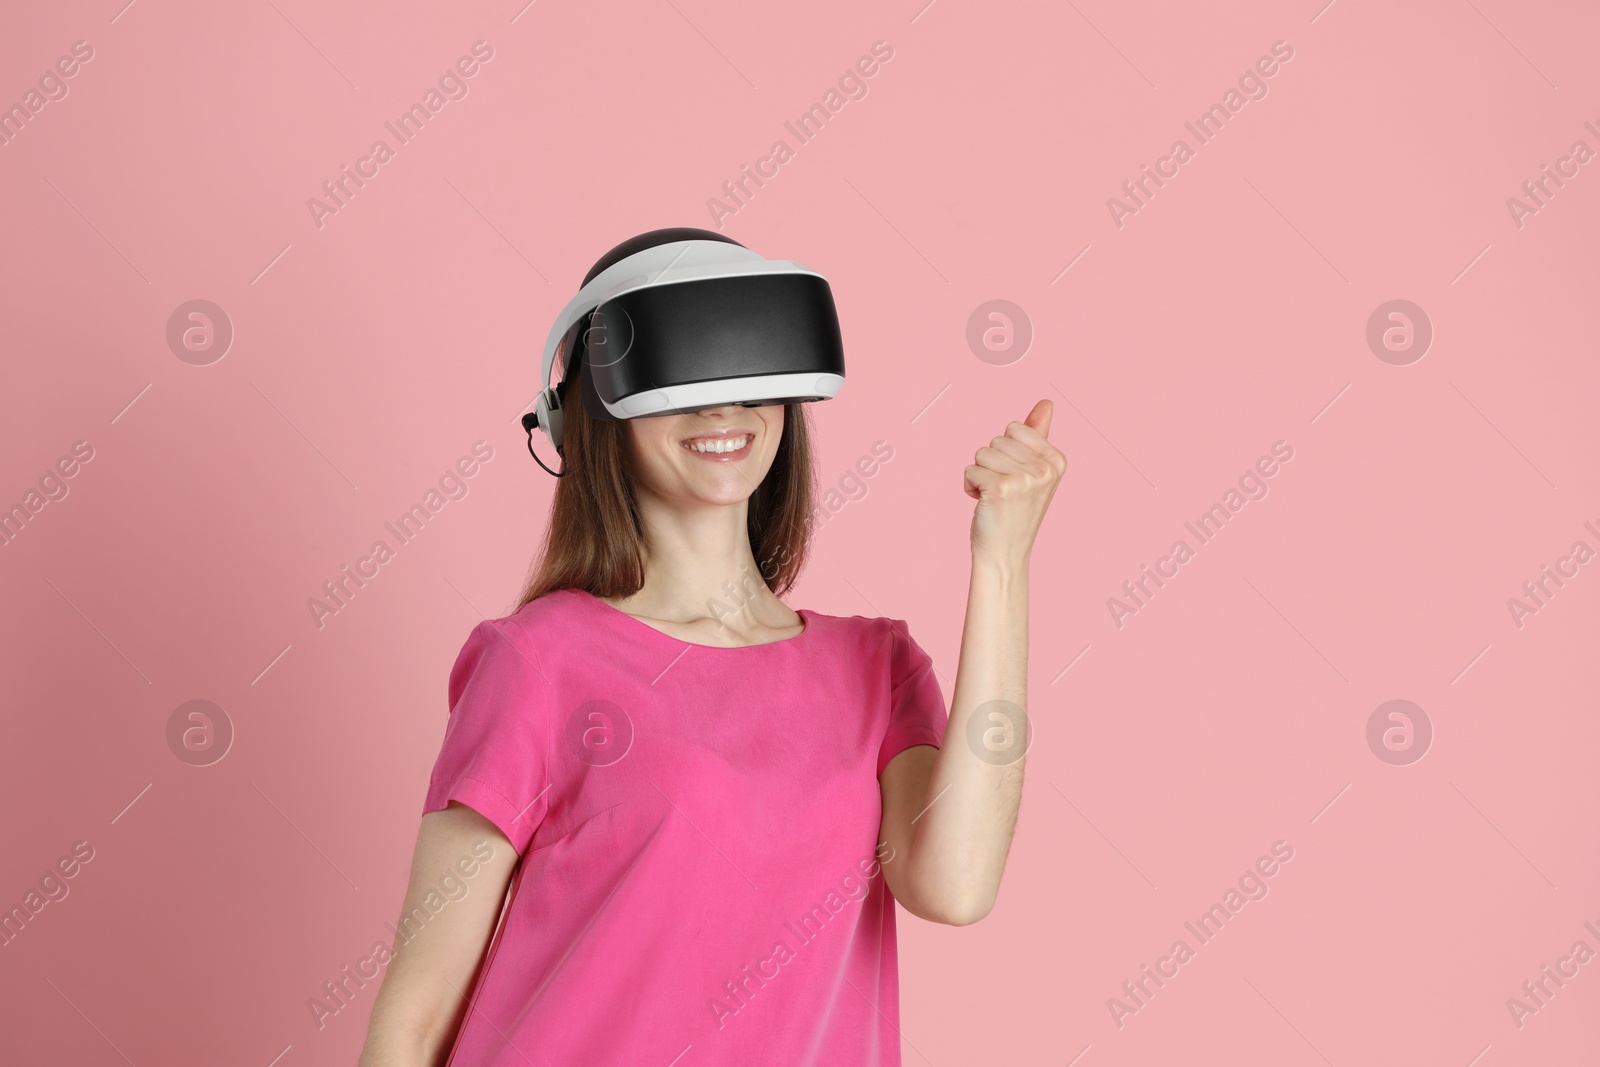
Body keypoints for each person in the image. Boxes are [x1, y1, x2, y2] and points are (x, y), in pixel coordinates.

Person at [355, 289, 1066, 1067]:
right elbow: (416, 1017)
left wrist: (1002, 562)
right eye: (682, 379)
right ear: (595, 414)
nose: (720, 407)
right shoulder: (537, 660)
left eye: (750, 372)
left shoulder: (875, 665)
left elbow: (954, 886)